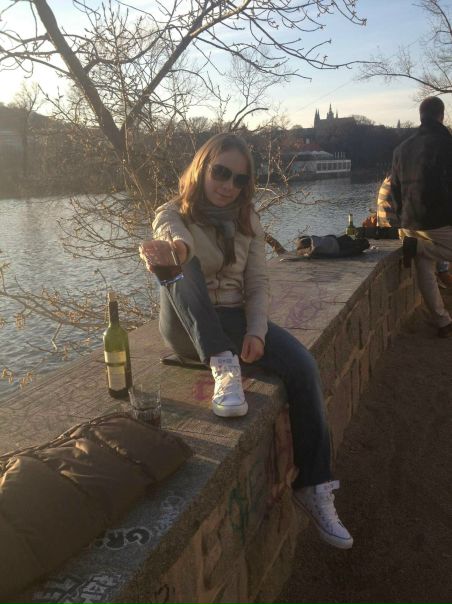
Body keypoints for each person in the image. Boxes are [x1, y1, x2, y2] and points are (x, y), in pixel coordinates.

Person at [140, 133, 353, 549]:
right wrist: (176, 250)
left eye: (239, 179)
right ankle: (223, 364)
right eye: (220, 172)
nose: (228, 185)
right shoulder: (173, 212)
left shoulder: (248, 221)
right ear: (202, 168)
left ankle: (314, 487)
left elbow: (257, 284)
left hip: (235, 320)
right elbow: (171, 233)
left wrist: (256, 331)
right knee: (179, 263)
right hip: (185, 321)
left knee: (302, 366)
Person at [392, 96, 452, 338]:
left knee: (425, 266)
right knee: (424, 254)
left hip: (409, 221)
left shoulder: (401, 148)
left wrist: (402, 218)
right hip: (437, 219)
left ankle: (442, 321)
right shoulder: (447, 144)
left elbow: (395, 189)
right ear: (441, 116)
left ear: (420, 116)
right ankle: (417, 247)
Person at [377, 173, 452, 288]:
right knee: (428, 242)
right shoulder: (408, 180)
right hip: (397, 231)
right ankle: (442, 271)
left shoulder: (399, 177)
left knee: (424, 256)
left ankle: (440, 277)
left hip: (393, 229)